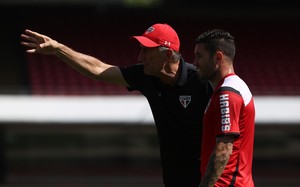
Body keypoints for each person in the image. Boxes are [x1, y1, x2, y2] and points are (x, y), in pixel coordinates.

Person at [20, 23, 213, 187]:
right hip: (174, 180)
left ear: (168, 54)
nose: (139, 57)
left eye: (146, 50)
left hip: (210, 180)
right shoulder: (145, 75)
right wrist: (58, 49)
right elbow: (98, 70)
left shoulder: (202, 82)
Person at [193, 29, 255, 187]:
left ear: (218, 57)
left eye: (199, 56)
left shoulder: (227, 93)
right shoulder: (232, 88)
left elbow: (223, 148)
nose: (194, 63)